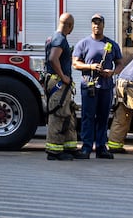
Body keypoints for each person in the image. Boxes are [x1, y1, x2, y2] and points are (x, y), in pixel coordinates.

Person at [73, 13, 124, 159]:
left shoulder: (111, 44)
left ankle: (101, 148)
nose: (96, 25)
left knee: (103, 117)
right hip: (89, 87)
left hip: (106, 87)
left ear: (103, 25)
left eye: (99, 23)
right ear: (91, 25)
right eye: (94, 23)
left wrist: (112, 72)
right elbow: (75, 63)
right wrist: (91, 66)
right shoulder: (83, 44)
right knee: (88, 117)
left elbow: (120, 63)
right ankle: (86, 148)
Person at [43, 13, 78, 161]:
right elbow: (53, 58)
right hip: (59, 83)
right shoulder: (59, 39)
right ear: (69, 25)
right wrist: (63, 77)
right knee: (58, 116)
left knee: (67, 115)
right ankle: (54, 151)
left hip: (59, 84)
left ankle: (69, 147)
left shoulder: (54, 38)